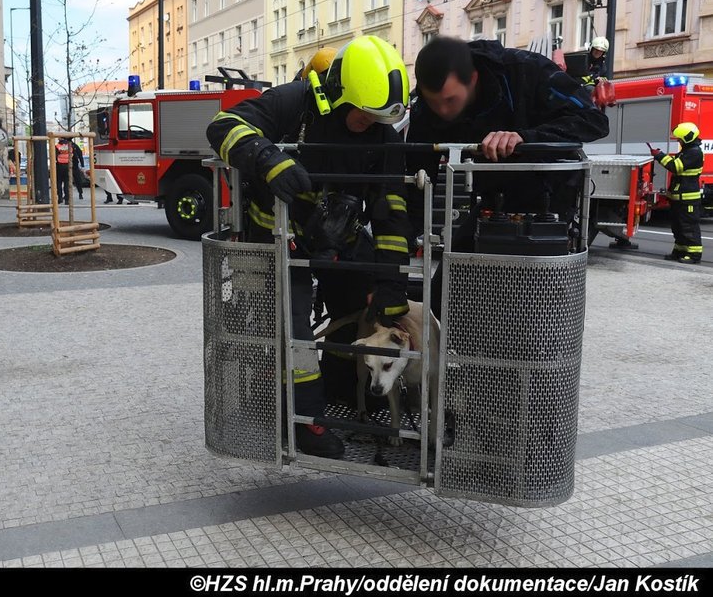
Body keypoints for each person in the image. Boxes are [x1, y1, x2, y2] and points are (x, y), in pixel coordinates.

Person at [206, 35, 413, 459]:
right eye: (363, 116)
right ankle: (306, 421)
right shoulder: (294, 102)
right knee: (293, 322)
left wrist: (390, 283)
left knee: (362, 304)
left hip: (342, 238)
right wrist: (267, 159)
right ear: (337, 94)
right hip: (281, 239)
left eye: (380, 119)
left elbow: (391, 211)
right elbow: (222, 126)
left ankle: (341, 383)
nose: (371, 125)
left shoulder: (384, 136)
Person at [406, 36, 610, 315]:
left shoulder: (525, 71)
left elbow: (594, 120)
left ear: (474, 78)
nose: (443, 111)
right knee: (442, 298)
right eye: (435, 103)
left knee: (525, 310)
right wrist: (399, 245)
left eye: (450, 100)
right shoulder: (428, 107)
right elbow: (417, 174)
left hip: (548, 206)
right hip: (493, 202)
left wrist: (524, 139)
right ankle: (460, 353)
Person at [653, 122, 703, 264]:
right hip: (680, 198)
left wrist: (660, 155)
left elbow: (676, 167)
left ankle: (694, 254)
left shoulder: (694, 152)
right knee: (678, 226)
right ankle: (680, 250)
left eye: (680, 139)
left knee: (688, 226)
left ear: (687, 138)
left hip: (688, 198)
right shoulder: (687, 151)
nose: (679, 141)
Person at [55, 139, 72, 203]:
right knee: (67, 183)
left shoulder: (57, 146)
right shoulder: (69, 146)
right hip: (68, 165)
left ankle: (60, 198)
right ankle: (67, 199)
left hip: (59, 166)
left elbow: (54, 156)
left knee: (59, 182)